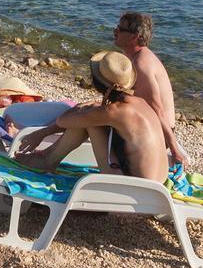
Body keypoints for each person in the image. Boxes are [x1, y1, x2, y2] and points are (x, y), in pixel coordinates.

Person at [14, 51, 167, 181]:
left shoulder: (114, 112)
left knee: (89, 122)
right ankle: (47, 158)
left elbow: (63, 121)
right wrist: (90, 108)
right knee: (89, 115)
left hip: (134, 188)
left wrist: (42, 133)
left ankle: (47, 161)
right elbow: (104, 113)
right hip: (157, 186)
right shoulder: (139, 103)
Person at [113, 11, 185, 165]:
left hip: (157, 135)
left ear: (135, 36)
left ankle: (110, 168)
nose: (115, 31)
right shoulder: (137, 58)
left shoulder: (141, 64)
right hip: (150, 128)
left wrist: (175, 150)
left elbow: (157, 109)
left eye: (120, 29)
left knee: (91, 123)